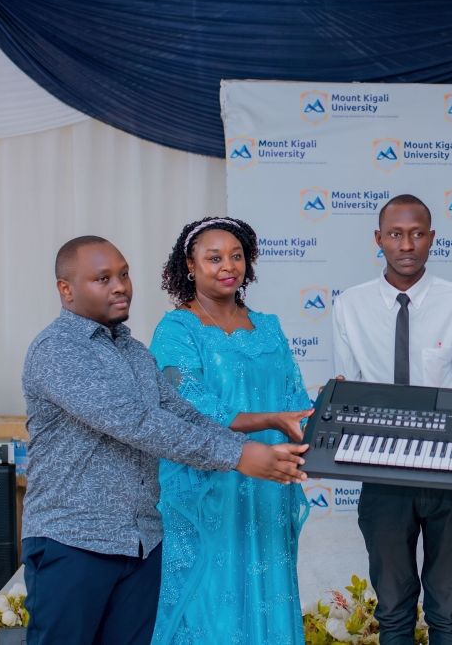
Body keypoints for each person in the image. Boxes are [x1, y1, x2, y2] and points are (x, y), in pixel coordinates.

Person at [20, 236, 308, 645]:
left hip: (140, 544)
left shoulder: (134, 352)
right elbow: (136, 422)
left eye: (123, 274)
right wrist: (238, 455)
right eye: (103, 279)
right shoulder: (58, 349)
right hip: (75, 539)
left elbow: (182, 415)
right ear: (66, 289)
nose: (120, 286)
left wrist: (256, 445)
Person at [148, 217, 314, 645]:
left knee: (268, 591)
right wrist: (271, 420)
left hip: (268, 484)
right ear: (190, 265)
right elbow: (190, 405)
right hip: (205, 486)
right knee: (208, 599)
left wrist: (328, 414)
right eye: (214, 258)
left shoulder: (270, 327)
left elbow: (295, 400)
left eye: (236, 256)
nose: (228, 266)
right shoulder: (176, 329)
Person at [332, 194, 452, 645]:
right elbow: (347, 394)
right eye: (395, 234)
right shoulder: (350, 306)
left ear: (432, 238)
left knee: (447, 610)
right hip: (382, 473)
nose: (406, 245)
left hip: (450, 473)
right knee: (393, 610)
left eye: (417, 234)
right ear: (378, 239)